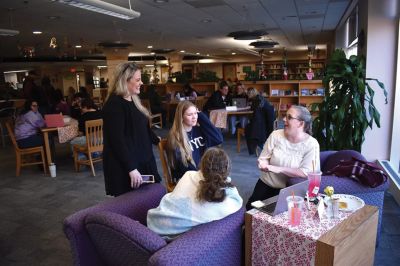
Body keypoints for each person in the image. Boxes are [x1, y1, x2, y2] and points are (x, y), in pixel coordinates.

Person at [147, 147, 243, 239]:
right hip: (176, 237)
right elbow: (238, 202)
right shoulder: (228, 200)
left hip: (155, 222)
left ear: (202, 164)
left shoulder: (188, 175)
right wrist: (226, 182)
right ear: (227, 169)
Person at [102, 62, 161, 196]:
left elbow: (142, 127)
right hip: (127, 165)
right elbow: (117, 141)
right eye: (138, 79)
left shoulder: (133, 99)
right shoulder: (114, 105)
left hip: (142, 158)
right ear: (125, 80)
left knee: (148, 200)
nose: (141, 83)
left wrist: (157, 140)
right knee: (131, 204)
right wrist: (131, 168)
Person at [245, 105, 320, 210]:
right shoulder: (276, 135)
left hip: (289, 191)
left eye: (289, 117)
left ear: (301, 123)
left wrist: (278, 169)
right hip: (266, 183)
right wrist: (263, 164)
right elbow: (263, 157)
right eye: (285, 116)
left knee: (276, 216)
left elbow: (306, 172)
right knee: (251, 210)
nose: (284, 119)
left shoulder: (312, 144)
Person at [166, 100, 223, 183]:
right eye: (189, 114)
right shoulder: (176, 137)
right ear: (181, 117)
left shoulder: (200, 130)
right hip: (188, 178)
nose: (194, 117)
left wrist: (201, 116)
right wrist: (201, 175)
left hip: (204, 175)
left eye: (195, 113)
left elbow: (218, 139)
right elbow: (182, 165)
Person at [245, 87, 275, 155]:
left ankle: (259, 145)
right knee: (250, 127)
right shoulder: (259, 98)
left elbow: (255, 110)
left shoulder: (257, 100)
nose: (247, 95)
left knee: (249, 128)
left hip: (264, 121)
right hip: (267, 119)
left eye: (248, 94)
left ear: (251, 93)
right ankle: (260, 145)